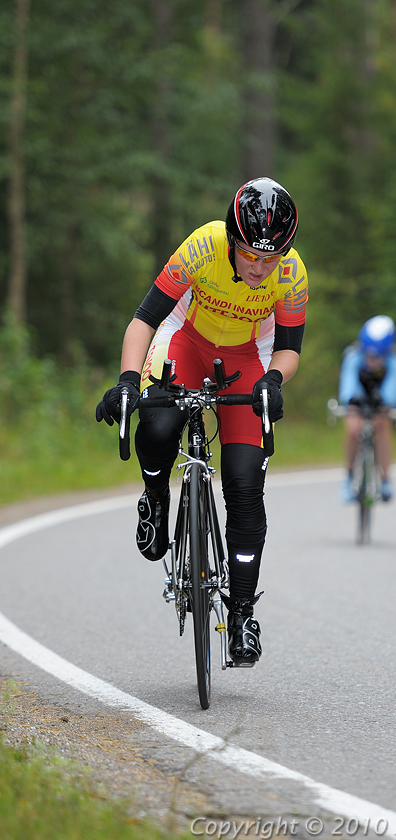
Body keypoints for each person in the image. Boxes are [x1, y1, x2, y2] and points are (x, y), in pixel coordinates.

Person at [96, 177, 307, 665]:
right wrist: (128, 381)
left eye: (270, 258)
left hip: (247, 357)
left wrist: (273, 381)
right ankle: (154, 497)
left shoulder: (291, 274)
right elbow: (144, 320)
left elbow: (289, 349)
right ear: (232, 241)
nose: (259, 268)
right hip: (185, 341)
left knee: (244, 488)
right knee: (160, 424)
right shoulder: (202, 247)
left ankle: (241, 614)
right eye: (250, 255)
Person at [338, 315, 396, 504]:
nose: (371, 360)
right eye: (368, 355)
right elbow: (347, 386)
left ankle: (385, 479)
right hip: (359, 395)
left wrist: (385, 402)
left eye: (377, 357)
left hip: (381, 398)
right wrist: (351, 400)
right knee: (353, 430)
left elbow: (394, 388)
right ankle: (350, 476)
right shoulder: (353, 355)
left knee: (382, 425)